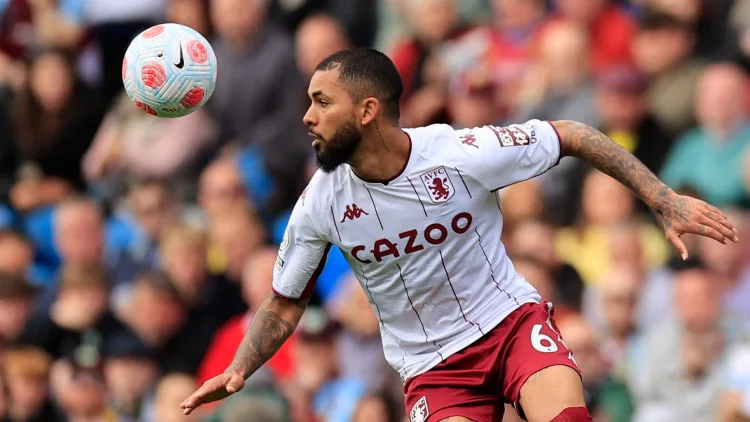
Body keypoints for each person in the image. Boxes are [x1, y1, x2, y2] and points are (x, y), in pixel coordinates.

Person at [181, 48, 739, 422]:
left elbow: (569, 133)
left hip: (509, 322)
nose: (307, 116)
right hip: (433, 368)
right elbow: (284, 303)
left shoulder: (459, 154)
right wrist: (239, 369)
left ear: (369, 110)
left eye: (321, 102)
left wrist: (662, 199)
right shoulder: (318, 207)